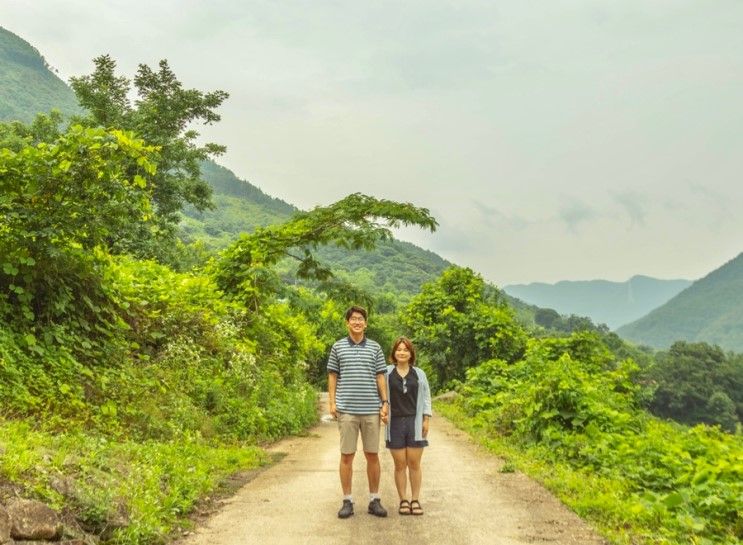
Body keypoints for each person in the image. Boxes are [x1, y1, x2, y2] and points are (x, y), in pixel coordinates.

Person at [327, 306, 389, 519]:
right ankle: (347, 501)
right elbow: (333, 376)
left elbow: (381, 376)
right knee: (347, 455)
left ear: (366, 323)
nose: (357, 322)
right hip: (347, 410)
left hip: (371, 409)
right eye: (353, 319)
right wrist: (332, 402)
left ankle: (374, 499)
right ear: (347, 323)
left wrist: (385, 402)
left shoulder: (375, 347)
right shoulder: (338, 347)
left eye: (360, 319)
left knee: (372, 454)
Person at [384, 337, 432, 516]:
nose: (402, 352)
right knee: (399, 464)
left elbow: (426, 396)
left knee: (414, 463)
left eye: (405, 350)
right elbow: (380, 394)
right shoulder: (387, 373)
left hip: (415, 421)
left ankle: (415, 499)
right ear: (394, 353)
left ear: (411, 354)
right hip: (394, 422)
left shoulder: (419, 374)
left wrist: (426, 418)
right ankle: (403, 499)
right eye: (399, 349)